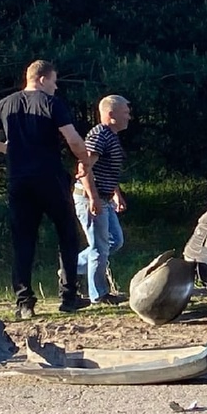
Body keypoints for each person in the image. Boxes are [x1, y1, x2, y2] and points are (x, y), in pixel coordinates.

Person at [0, 61, 96, 320]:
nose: (55, 86)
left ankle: (24, 302)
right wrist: (84, 161)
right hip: (49, 177)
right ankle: (68, 296)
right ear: (42, 79)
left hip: (18, 180)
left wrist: (7, 149)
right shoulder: (51, 103)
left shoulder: (5, 104)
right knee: (66, 233)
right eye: (54, 81)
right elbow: (73, 139)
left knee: (23, 241)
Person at [74, 95, 131, 305]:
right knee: (100, 247)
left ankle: (71, 269)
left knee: (114, 240)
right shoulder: (99, 135)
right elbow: (85, 167)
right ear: (111, 114)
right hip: (91, 198)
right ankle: (99, 294)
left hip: (104, 197)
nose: (129, 117)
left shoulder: (111, 136)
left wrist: (116, 193)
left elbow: (105, 170)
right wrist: (93, 198)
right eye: (125, 113)